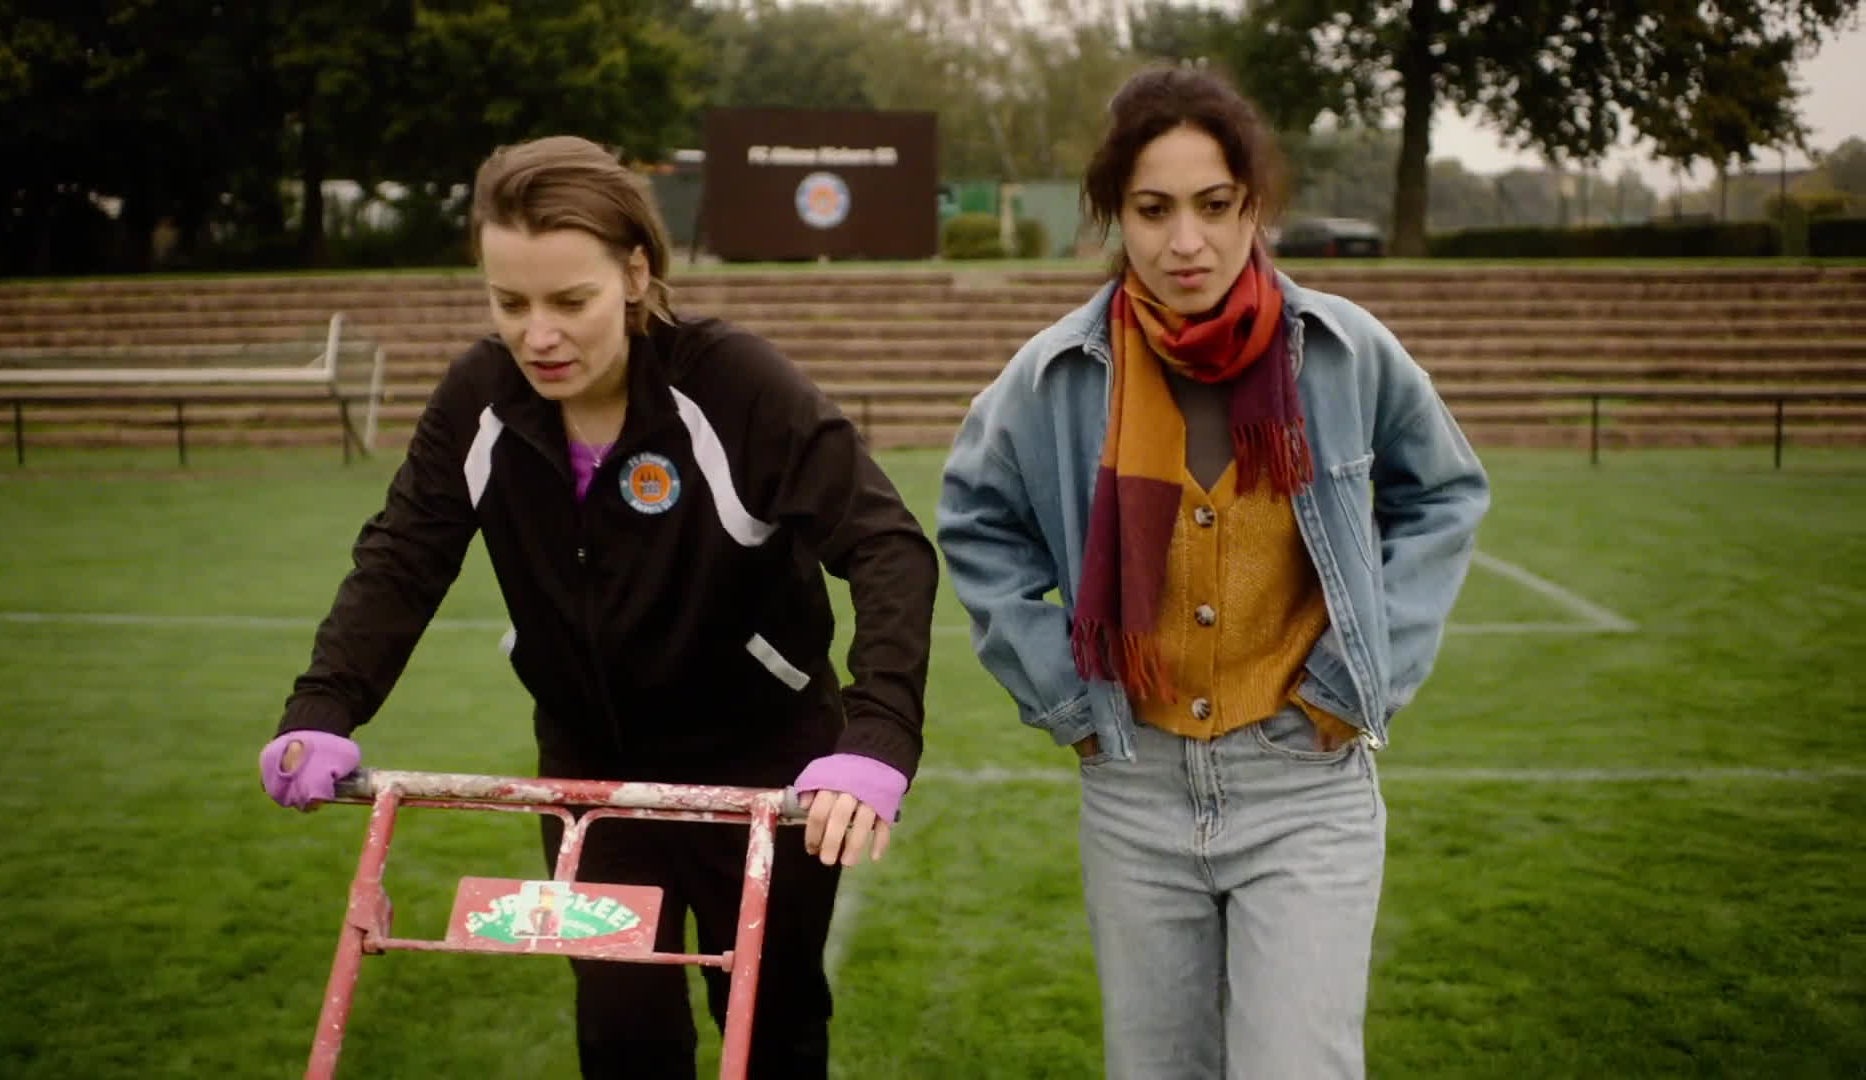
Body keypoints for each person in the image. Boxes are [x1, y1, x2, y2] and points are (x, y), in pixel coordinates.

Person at [257, 135, 938, 1080]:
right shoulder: (478, 401)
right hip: (593, 779)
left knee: (771, 1027)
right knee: (623, 1032)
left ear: (635, 273)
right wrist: (323, 707)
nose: (538, 335)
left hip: (764, 766)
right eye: (510, 304)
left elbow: (887, 545)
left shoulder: (734, 385)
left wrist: (876, 736)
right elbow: (404, 557)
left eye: (569, 301)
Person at [936, 66, 1489, 1079]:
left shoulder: (1344, 351)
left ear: (1253, 205)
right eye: (1153, 210)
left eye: (1214, 205)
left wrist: (1363, 676)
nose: (1185, 241)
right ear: (1116, 213)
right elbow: (976, 523)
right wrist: (1065, 697)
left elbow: (1445, 494)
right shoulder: (1052, 374)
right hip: (1134, 791)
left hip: (1306, 785)